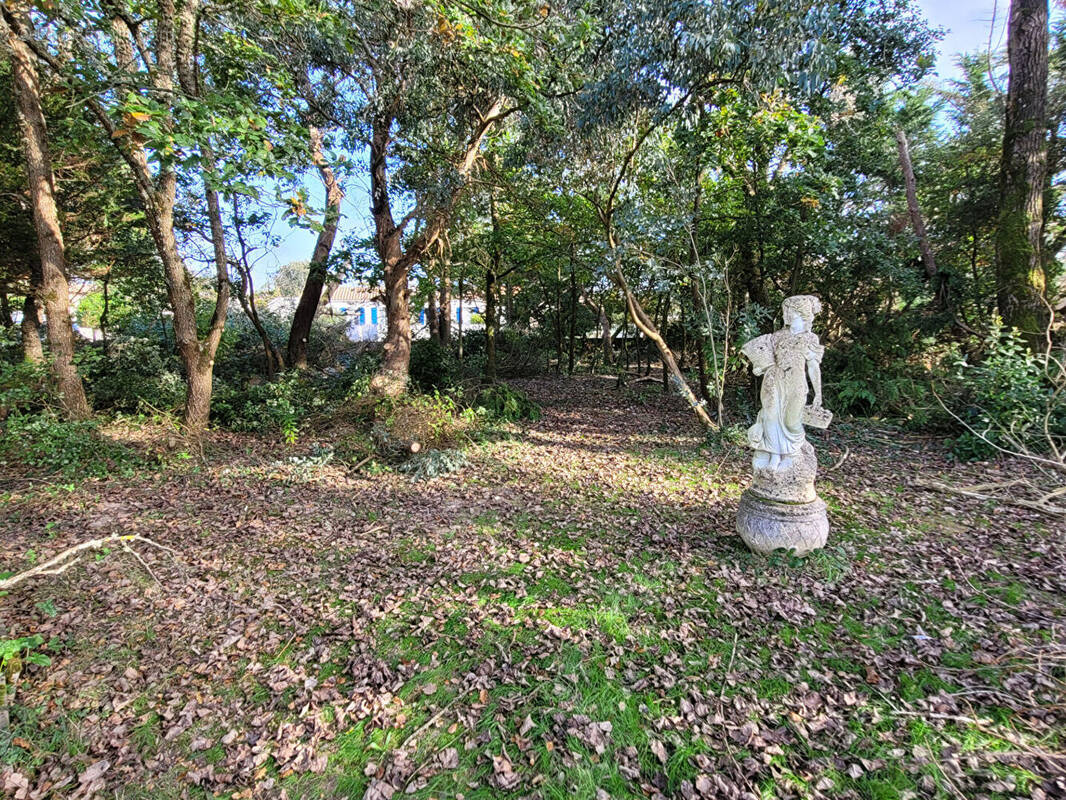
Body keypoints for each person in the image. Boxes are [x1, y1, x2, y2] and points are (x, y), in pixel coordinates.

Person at [742, 295, 825, 470]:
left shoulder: (810, 339)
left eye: (791, 312)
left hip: (795, 383)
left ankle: (792, 454)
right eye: (785, 311)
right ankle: (774, 455)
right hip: (773, 381)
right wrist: (759, 367)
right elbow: (766, 360)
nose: (786, 314)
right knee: (770, 417)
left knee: (791, 421)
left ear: (803, 314)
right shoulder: (777, 336)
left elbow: (813, 368)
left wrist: (818, 393)